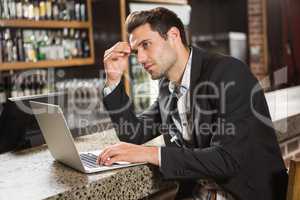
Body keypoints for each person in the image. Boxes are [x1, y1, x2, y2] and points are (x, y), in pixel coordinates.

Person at [97, 7, 288, 200]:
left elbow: (227, 159)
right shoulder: (167, 87)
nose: (140, 58)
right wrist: (113, 81)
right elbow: (133, 133)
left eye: (146, 45)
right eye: (136, 51)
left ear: (173, 35)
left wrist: (151, 154)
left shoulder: (229, 74)